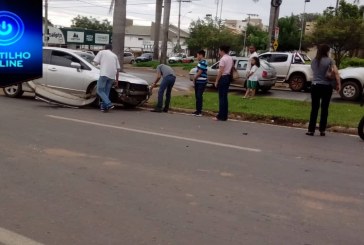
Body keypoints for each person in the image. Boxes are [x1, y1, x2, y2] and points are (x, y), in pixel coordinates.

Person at [306, 44, 341, 136]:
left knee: (314, 108)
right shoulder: (330, 61)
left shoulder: (314, 61)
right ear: (326, 51)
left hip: (315, 86)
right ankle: (322, 130)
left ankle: (311, 130)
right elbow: (336, 73)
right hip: (326, 87)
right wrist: (339, 84)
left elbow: (313, 73)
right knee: (324, 108)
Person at [93, 44, 120, 112]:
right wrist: (117, 80)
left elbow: (95, 63)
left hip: (104, 74)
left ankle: (108, 103)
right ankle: (104, 107)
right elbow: (118, 69)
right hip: (112, 76)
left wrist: (98, 64)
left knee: (99, 90)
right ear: (111, 49)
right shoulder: (114, 56)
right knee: (106, 91)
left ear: (105, 48)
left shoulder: (102, 52)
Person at [214, 45, 234, 121]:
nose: (219, 52)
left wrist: (216, 80)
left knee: (221, 98)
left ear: (222, 51)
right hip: (228, 77)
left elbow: (221, 71)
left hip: (223, 77)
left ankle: (220, 116)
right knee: (225, 97)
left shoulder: (223, 59)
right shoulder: (230, 58)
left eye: (219, 50)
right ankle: (224, 115)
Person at [193, 50, 208, 116]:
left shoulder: (203, 62)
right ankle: (197, 110)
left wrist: (194, 77)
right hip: (198, 81)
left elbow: (200, 71)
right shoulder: (200, 62)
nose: (197, 57)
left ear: (201, 55)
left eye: (197, 55)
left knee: (199, 95)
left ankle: (199, 111)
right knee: (197, 96)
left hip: (201, 81)